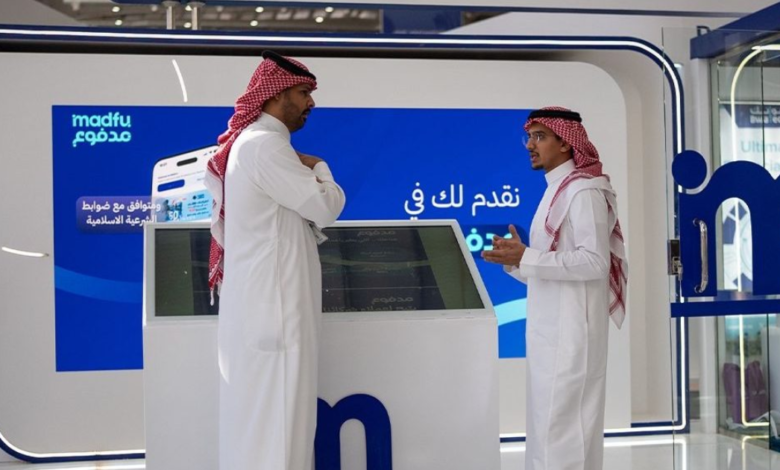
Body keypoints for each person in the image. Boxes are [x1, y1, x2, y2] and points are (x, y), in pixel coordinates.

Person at [205, 51, 346, 470]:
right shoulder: (266, 146)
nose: (311, 103)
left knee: (264, 428)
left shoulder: (255, 145)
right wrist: (320, 167)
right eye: (303, 93)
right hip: (276, 319)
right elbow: (326, 207)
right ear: (275, 94)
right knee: (279, 430)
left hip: (267, 313)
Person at [482, 106, 627, 470]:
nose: (530, 145)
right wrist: (516, 261)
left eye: (540, 136)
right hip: (550, 332)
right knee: (547, 431)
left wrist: (528, 257)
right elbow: (551, 266)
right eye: (529, 137)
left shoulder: (583, 191)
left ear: (566, 142)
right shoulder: (556, 190)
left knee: (564, 434)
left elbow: (594, 262)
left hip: (573, 334)